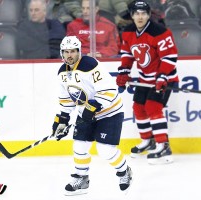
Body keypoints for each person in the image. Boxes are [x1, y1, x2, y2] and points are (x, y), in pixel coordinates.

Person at [52, 35, 132, 195]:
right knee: (79, 146)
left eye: (73, 51)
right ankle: (82, 179)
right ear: (62, 53)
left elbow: (109, 90)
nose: (69, 55)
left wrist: (91, 108)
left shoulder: (89, 65)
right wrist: (62, 120)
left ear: (79, 51)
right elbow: (66, 99)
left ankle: (124, 172)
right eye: (66, 52)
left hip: (110, 112)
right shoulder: (62, 72)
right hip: (87, 112)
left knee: (105, 151)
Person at [116, 0, 179, 164]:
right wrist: (124, 71)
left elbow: (170, 57)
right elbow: (127, 55)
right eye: (137, 13)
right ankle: (147, 140)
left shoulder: (159, 32)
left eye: (143, 13)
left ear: (149, 15)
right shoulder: (128, 32)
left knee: (153, 107)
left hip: (165, 78)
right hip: (145, 79)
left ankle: (163, 146)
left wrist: (162, 76)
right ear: (132, 15)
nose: (140, 16)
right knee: (138, 107)